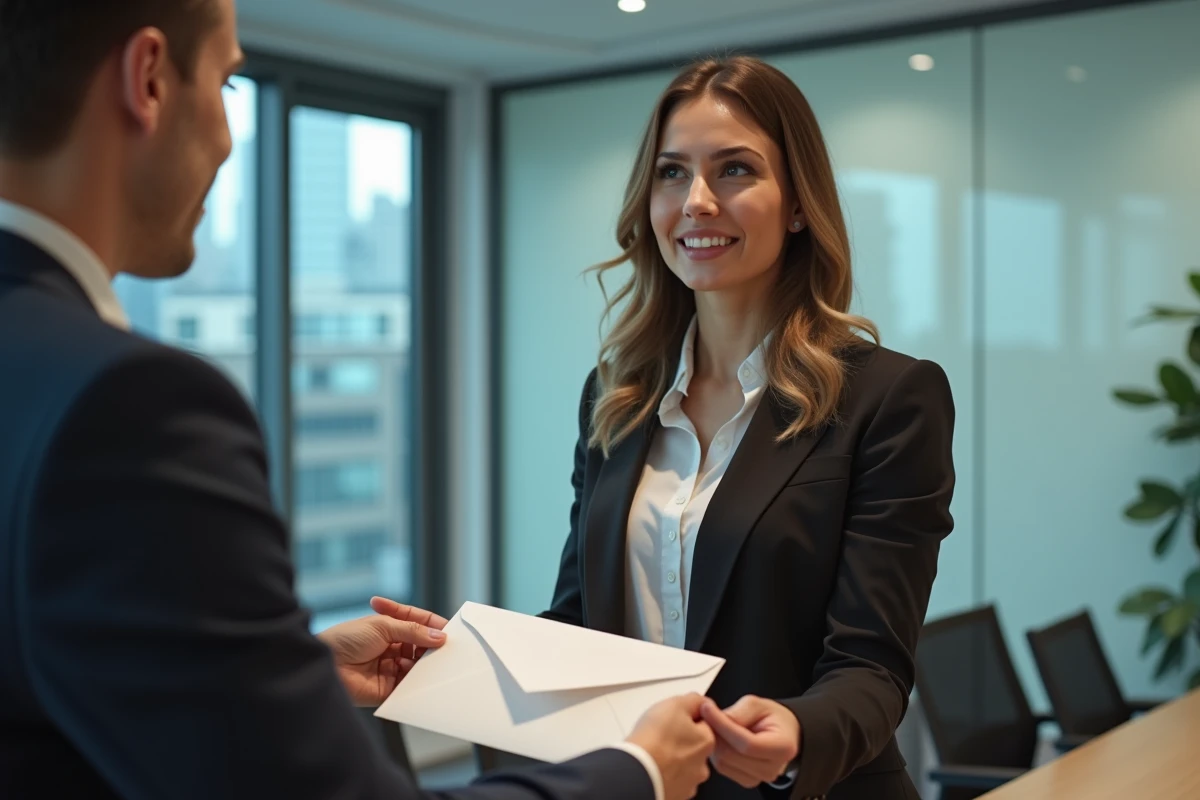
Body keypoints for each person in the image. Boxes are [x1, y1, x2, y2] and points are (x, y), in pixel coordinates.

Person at [0, 2, 716, 799]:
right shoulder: (128, 402)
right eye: (230, 86)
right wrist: (638, 771)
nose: (229, 141)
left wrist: (287, 675)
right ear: (149, 79)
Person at [541, 56, 955, 800]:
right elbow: (578, 624)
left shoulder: (889, 398)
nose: (697, 201)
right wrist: (447, 660)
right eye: (672, 173)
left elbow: (873, 666)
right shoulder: (614, 397)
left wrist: (798, 732)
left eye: (735, 170)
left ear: (797, 203)